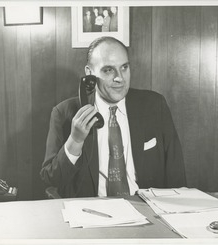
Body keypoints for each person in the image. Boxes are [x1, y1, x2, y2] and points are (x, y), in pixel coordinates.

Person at [40, 36, 186, 198]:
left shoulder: (154, 105)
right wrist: (75, 140)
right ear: (90, 73)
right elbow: (51, 179)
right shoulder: (64, 113)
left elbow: (176, 172)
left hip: (147, 209)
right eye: (108, 70)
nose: (120, 78)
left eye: (124, 67)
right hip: (92, 213)